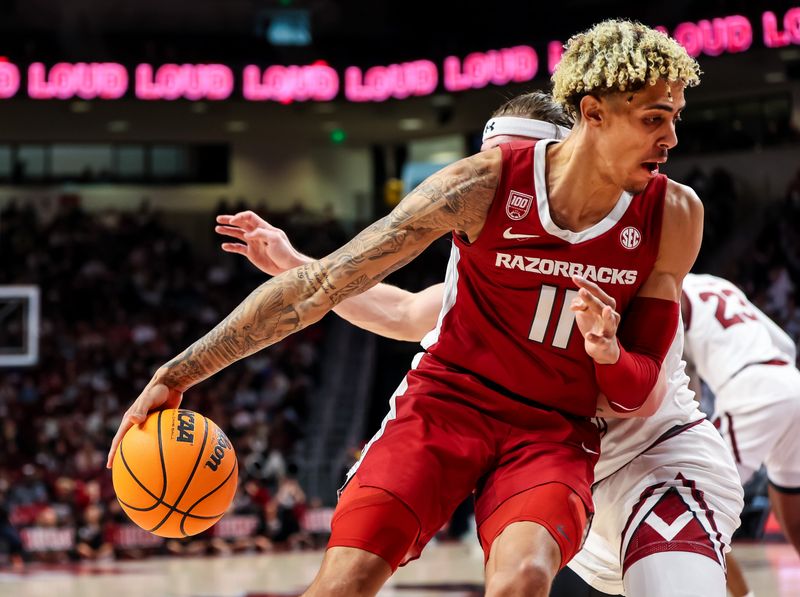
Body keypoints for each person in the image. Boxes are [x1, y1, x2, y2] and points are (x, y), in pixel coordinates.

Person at [110, 20, 705, 596]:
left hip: (554, 429)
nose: (672, 139)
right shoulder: (480, 188)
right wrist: (176, 373)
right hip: (447, 403)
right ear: (592, 114)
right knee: (345, 581)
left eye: (673, 118)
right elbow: (331, 288)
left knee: (524, 579)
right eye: (656, 119)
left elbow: (636, 389)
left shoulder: (673, 215)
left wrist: (607, 350)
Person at [216, 92, 744, 597]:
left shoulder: (639, 235)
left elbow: (635, 392)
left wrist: (604, 354)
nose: (489, 182)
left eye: (509, 161)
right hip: (575, 467)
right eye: (487, 161)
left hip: (642, 453)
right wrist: (298, 266)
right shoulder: (493, 241)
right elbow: (406, 312)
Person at [682, 272, 800, 597]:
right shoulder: (718, 284)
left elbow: (677, 372)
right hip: (790, 380)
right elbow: (786, 343)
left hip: (748, 389)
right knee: (791, 503)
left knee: (694, 503)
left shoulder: (670, 287)